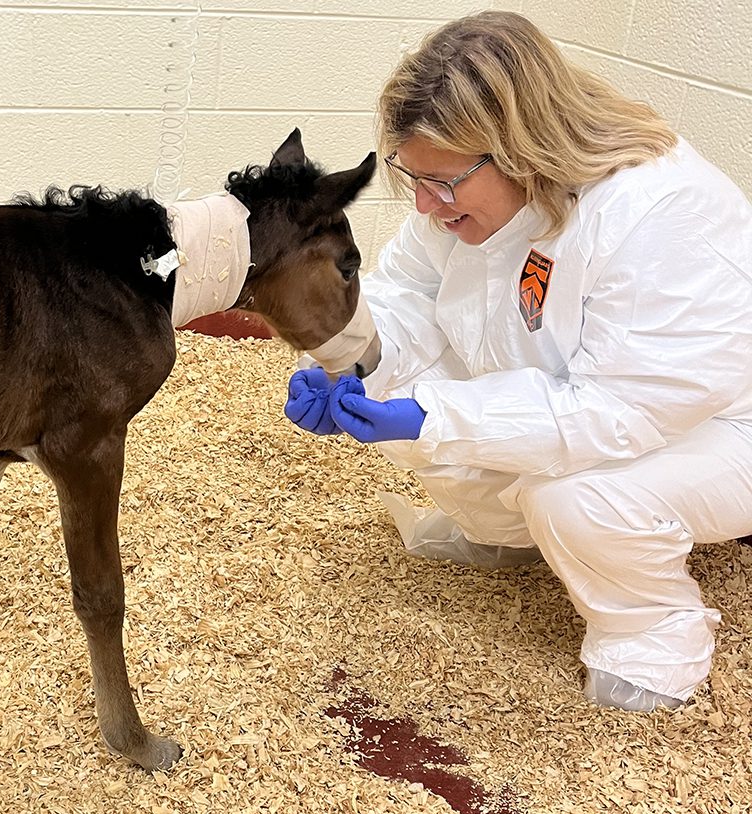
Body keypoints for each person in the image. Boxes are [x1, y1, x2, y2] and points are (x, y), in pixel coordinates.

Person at [285, 10, 752, 712]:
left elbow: (619, 410)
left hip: (714, 430)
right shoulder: (461, 195)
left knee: (570, 495)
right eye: (412, 175)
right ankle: (512, 538)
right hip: (589, 400)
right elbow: (408, 291)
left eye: (443, 181)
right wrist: (355, 362)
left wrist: (431, 414)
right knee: (399, 389)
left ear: (521, 146)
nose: (424, 202)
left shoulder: (655, 212)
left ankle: (652, 633)